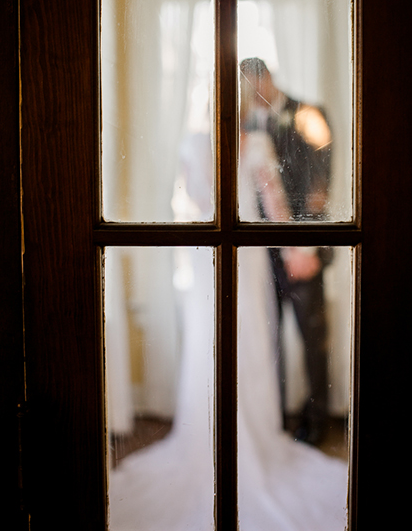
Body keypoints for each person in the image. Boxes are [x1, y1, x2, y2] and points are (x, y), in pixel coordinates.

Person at [106, 76, 347, 530]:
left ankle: (207, 437)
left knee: (209, 341)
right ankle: (252, 437)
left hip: (203, 257)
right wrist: (299, 250)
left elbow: (192, 200)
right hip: (247, 254)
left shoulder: (193, 144)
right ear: (239, 105)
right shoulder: (253, 142)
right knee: (249, 341)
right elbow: (274, 205)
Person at [239, 57, 333, 446]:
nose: (250, 94)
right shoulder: (242, 124)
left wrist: (306, 247)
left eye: (253, 84)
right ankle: (272, 421)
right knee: (266, 341)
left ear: (269, 78)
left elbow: (319, 188)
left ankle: (316, 423)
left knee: (312, 338)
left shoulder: (308, 114)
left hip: (301, 250)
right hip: (259, 256)